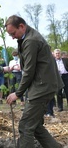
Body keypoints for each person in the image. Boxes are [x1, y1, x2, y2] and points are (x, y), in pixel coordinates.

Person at [5, 15, 63, 148]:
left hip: (41, 88)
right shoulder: (28, 37)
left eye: (13, 33)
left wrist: (18, 93)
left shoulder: (31, 40)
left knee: (25, 126)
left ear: (21, 26)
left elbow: (29, 71)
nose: (13, 37)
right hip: (43, 86)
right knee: (35, 125)